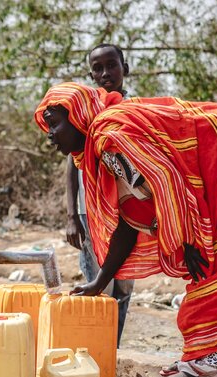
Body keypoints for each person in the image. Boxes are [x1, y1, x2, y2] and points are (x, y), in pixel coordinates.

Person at [36, 83, 217, 377]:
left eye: (54, 123)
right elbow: (130, 221)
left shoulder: (109, 136)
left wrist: (189, 237)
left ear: (77, 117)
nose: (50, 134)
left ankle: (199, 373)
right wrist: (100, 281)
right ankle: (207, 362)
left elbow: (166, 179)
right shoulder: (106, 146)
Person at [64, 44, 135, 345]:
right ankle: (94, 353)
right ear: (91, 74)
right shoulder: (86, 113)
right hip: (90, 213)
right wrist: (72, 216)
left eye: (112, 65)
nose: (106, 73)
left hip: (130, 215)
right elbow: (72, 164)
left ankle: (112, 352)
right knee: (97, 286)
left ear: (124, 68)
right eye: (98, 68)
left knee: (124, 287)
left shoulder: (136, 111)